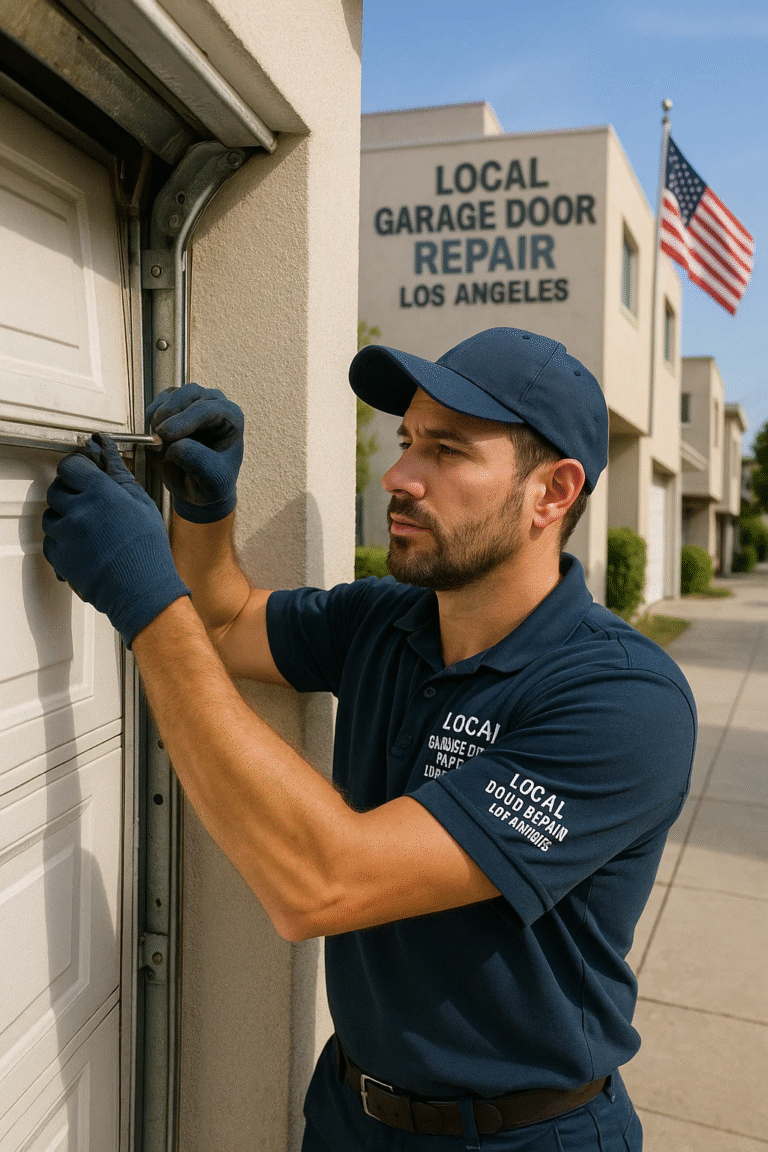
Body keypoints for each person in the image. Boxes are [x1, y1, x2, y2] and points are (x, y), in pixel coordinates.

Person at [42, 326, 696, 1151]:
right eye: (407, 441)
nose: (398, 476)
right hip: (350, 1110)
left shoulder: (622, 700)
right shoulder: (387, 620)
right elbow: (227, 618)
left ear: (552, 492)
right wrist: (205, 511)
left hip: (525, 1136)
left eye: (448, 452)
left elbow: (322, 882)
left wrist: (142, 598)